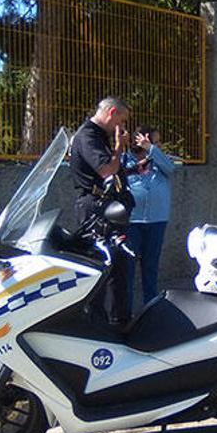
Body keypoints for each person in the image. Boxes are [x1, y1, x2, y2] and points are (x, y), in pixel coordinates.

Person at [70, 96, 134, 326]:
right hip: (95, 212)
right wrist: (118, 147)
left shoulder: (99, 136)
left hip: (107, 208)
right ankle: (103, 324)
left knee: (118, 267)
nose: (123, 127)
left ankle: (119, 321)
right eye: (122, 120)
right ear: (112, 112)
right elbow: (107, 170)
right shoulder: (88, 135)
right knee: (103, 267)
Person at [123, 126, 177, 306]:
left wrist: (152, 150)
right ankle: (126, 311)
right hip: (132, 222)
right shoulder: (125, 160)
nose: (159, 145)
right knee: (127, 268)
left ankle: (150, 307)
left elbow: (171, 169)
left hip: (157, 220)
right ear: (142, 139)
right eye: (156, 141)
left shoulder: (159, 160)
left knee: (150, 267)